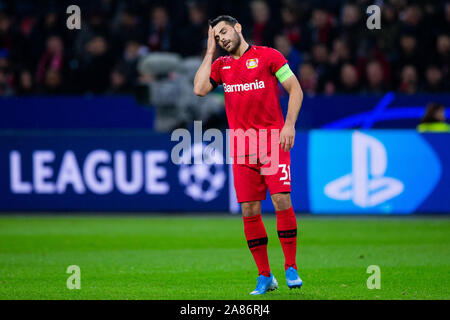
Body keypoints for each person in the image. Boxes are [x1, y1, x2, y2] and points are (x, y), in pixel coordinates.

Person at [193, 15, 303, 295]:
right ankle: (265, 275)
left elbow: (295, 89)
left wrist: (288, 125)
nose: (222, 39)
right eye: (217, 37)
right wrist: (209, 51)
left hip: (272, 141)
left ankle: (290, 267)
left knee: (281, 199)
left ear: (238, 27)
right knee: (249, 210)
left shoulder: (268, 57)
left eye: (225, 32)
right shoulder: (222, 65)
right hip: (241, 147)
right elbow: (200, 89)